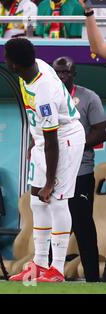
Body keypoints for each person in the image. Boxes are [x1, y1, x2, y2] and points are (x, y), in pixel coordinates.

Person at [5, 38, 85, 282]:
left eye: (7, 56)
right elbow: (40, 129)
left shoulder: (45, 93)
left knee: (57, 200)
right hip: (43, 142)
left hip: (65, 140)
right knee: (37, 202)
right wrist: (33, 143)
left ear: (14, 64)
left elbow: (53, 142)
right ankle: (39, 264)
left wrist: (50, 181)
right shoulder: (30, 69)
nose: (4, 59)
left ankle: (57, 269)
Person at [52, 56, 106, 282]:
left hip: (81, 172)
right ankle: (49, 275)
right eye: (58, 72)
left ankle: (93, 280)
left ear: (74, 74)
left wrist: (76, 145)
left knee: (83, 227)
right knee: (52, 226)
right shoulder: (47, 96)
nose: (62, 76)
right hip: (54, 174)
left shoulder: (88, 97)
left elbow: (101, 130)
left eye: (66, 73)